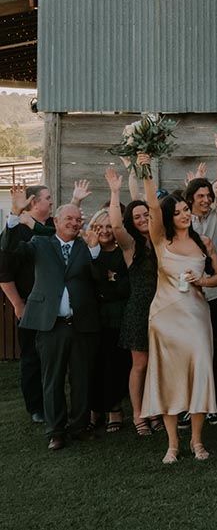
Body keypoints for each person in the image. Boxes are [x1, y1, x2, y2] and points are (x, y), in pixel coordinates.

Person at [138, 155, 217, 464]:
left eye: (186, 210)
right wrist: (145, 169)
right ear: (169, 218)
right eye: (177, 213)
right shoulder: (161, 241)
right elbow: (151, 206)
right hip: (166, 317)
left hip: (197, 316)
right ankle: (173, 444)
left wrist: (203, 280)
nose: (184, 215)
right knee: (169, 377)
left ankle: (197, 441)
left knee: (200, 372)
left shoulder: (204, 242)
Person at [3, 199, 100, 452]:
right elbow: (9, 251)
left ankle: (79, 427)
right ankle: (56, 431)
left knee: (81, 378)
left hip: (81, 324)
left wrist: (95, 252)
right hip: (51, 325)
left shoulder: (87, 246)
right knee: (52, 379)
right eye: (69, 218)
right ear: (55, 222)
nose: (74, 223)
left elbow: (99, 280)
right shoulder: (40, 243)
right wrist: (14, 216)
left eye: (78, 219)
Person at [105, 168, 160, 436]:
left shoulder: (162, 240)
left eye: (145, 215)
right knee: (140, 364)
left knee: (158, 364)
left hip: (163, 307)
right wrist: (115, 192)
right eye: (136, 217)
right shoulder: (130, 246)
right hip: (139, 308)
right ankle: (139, 414)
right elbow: (116, 226)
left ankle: (155, 410)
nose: (142, 219)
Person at [185, 134, 217, 425]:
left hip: (215, 294)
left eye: (208, 196)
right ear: (190, 199)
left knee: (213, 349)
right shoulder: (181, 221)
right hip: (188, 296)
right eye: (200, 196)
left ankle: (211, 403)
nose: (206, 200)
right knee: (191, 350)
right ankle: (190, 404)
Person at [0, 184, 53, 425]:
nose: (51, 201)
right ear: (33, 202)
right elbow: (4, 272)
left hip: (55, 306)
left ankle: (54, 402)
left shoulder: (49, 225)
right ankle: (36, 407)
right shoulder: (16, 230)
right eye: (47, 198)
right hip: (30, 305)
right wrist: (18, 304)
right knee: (32, 358)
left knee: (52, 358)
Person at [86, 209, 131, 433]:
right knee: (93, 364)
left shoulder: (122, 252)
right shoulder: (87, 252)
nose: (104, 231)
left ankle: (115, 409)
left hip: (116, 318)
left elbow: (122, 288)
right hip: (92, 317)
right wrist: (107, 279)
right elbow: (90, 280)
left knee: (115, 364)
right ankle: (95, 410)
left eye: (109, 227)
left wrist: (108, 283)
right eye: (99, 227)